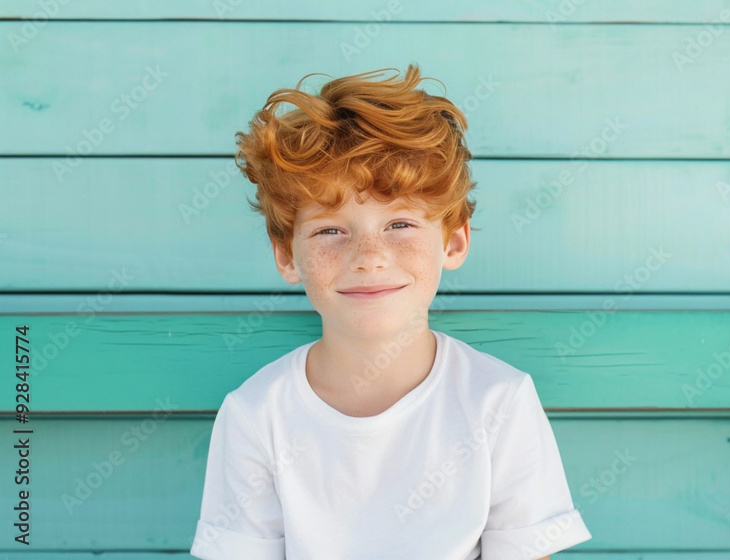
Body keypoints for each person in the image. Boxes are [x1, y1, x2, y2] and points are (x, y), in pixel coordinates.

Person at [189, 63, 592, 560]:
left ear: (455, 239)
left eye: (400, 224)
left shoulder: (499, 401)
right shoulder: (255, 415)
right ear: (286, 255)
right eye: (330, 230)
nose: (369, 256)